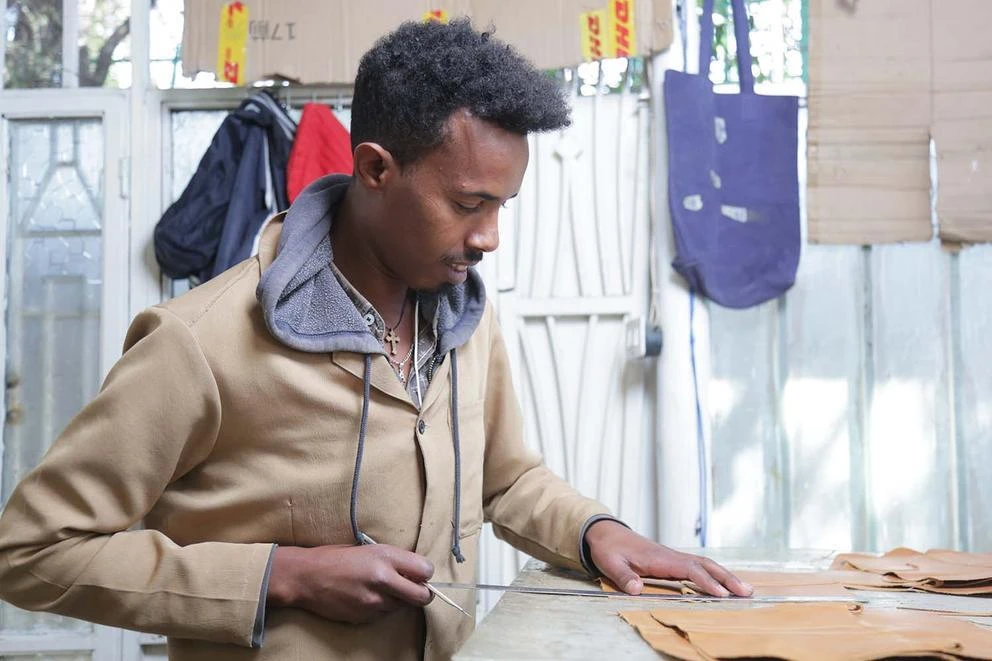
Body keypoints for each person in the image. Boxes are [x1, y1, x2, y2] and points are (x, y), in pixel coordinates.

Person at [0, 19, 751, 661]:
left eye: (503, 205)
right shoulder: (198, 342)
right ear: (374, 170)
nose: (490, 236)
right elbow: (31, 550)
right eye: (468, 203)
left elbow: (505, 480)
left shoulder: (465, 317)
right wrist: (282, 576)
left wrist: (599, 532)